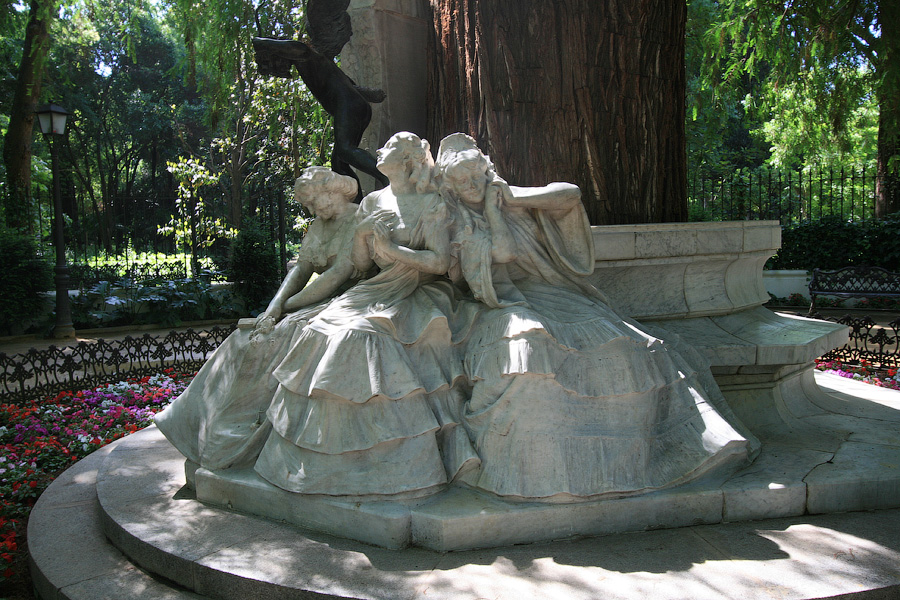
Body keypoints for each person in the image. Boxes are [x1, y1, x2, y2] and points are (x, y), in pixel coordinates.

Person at [435, 133, 760, 500]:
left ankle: (632, 464)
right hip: (501, 303)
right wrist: (494, 214)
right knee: (531, 349)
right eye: (461, 180)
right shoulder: (458, 222)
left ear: (486, 171)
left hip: (555, 295)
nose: (472, 185)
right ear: (451, 187)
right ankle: (538, 472)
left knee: (624, 348)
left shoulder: (512, 199)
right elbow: (503, 254)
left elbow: (570, 195)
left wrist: (512, 198)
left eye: (475, 175)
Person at [253, 132, 481, 497]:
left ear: (408, 160)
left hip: (418, 288)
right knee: (317, 329)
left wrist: (391, 248)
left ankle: (387, 459)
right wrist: (361, 237)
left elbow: (439, 263)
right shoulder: (373, 200)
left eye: (389, 147)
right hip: (376, 288)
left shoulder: (433, 202)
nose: (378, 150)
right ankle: (318, 459)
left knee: (359, 335)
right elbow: (360, 265)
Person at [155, 167, 364, 471]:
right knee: (243, 340)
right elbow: (301, 270)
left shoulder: (359, 220)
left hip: (348, 299)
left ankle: (246, 425)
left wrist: (284, 309)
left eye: (313, 202)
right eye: (306, 205)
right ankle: (204, 425)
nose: (310, 210)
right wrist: (273, 307)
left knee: (280, 338)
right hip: (315, 299)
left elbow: (336, 276)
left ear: (332, 192)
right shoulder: (319, 225)